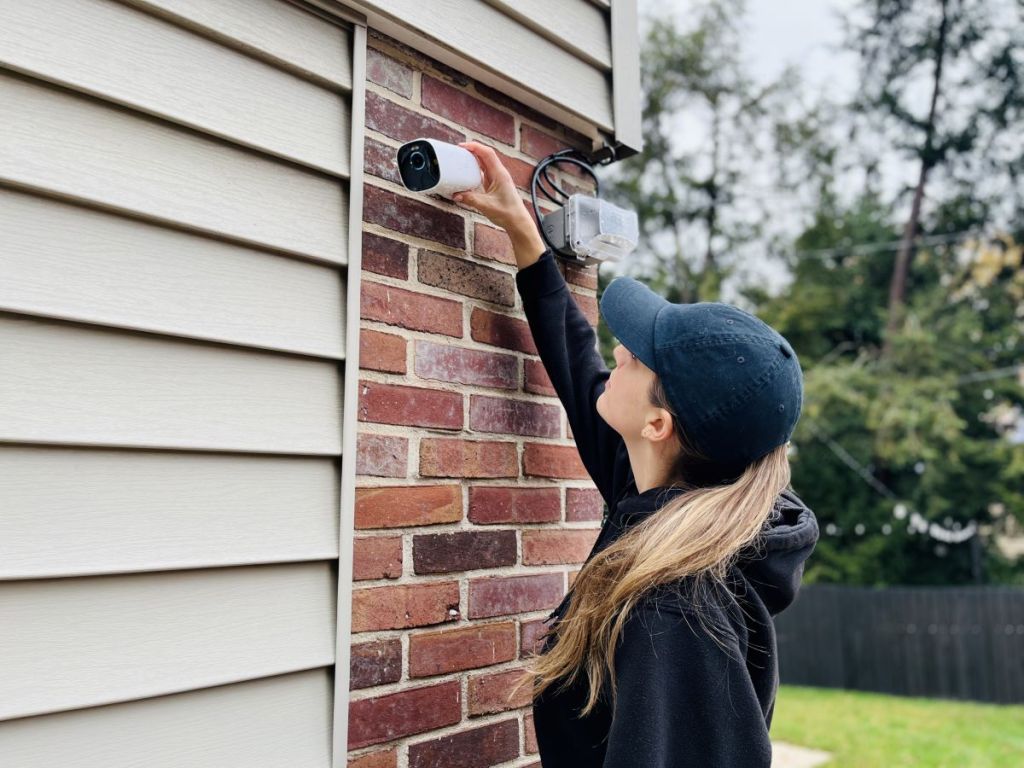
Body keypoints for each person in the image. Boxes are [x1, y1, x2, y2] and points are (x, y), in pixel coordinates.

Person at [452, 141, 820, 768]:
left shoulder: (673, 611)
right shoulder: (665, 499)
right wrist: (522, 232)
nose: (616, 352)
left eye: (636, 355)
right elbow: (579, 368)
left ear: (658, 423)